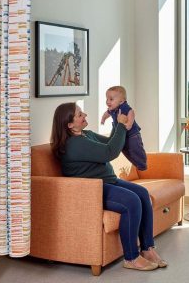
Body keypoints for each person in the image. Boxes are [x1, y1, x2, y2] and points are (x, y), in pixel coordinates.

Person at [51, 102, 167, 271]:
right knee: (131, 201)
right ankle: (131, 258)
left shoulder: (86, 135)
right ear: (69, 125)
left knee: (143, 193)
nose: (85, 115)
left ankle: (147, 249)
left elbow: (112, 143)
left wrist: (116, 119)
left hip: (106, 181)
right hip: (92, 189)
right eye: (80, 114)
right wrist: (120, 124)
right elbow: (110, 152)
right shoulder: (74, 144)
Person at [100, 86, 148, 171]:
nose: (108, 102)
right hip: (123, 135)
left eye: (111, 99)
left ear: (121, 101)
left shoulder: (123, 107)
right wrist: (103, 119)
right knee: (125, 150)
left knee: (136, 149)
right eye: (107, 99)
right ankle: (136, 163)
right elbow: (106, 113)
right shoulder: (112, 108)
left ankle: (142, 164)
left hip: (132, 134)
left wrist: (129, 123)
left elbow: (131, 112)